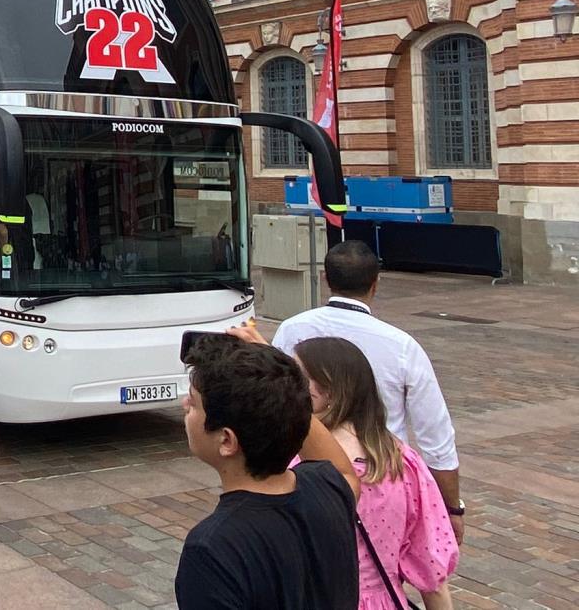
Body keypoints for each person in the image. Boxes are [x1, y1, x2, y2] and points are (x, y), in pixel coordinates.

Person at [272, 241, 465, 540]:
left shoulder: (292, 330)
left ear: (326, 278)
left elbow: (275, 405)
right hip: (380, 482)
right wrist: (452, 508)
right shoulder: (401, 346)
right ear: (375, 284)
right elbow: (436, 436)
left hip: (304, 476)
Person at [175, 326, 362, 609]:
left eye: (195, 403)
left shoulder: (212, 547)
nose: (185, 404)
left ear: (226, 440)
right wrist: (280, 383)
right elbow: (344, 471)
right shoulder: (328, 487)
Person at [294, 337, 458, 609]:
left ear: (330, 390)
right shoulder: (402, 462)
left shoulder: (294, 458)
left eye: (297, 378)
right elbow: (433, 577)